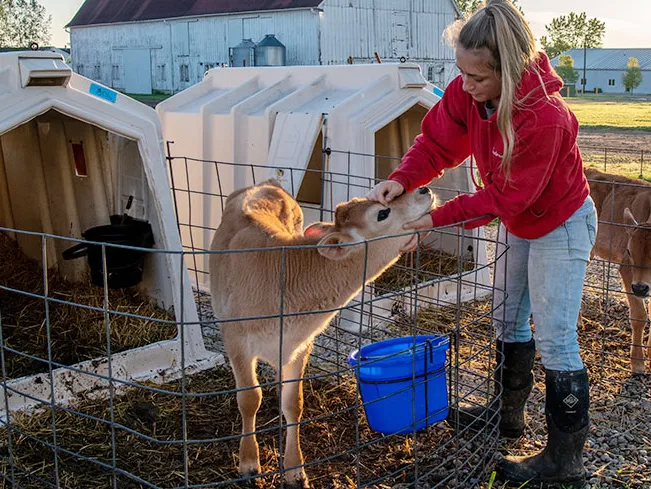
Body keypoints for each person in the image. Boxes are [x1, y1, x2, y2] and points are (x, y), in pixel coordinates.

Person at [367, 0, 596, 487]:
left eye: (478, 77)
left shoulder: (545, 117)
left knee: (556, 337)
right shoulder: (466, 94)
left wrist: (433, 219)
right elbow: (435, 144)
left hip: (561, 222)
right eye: (462, 73)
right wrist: (402, 181)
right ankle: (506, 416)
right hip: (520, 219)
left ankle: (564, 463)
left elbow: (506, 198)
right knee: (506, 316)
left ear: (509, 70)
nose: (465, 86)